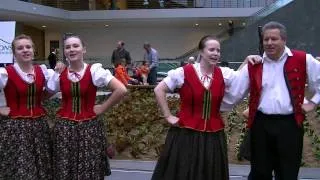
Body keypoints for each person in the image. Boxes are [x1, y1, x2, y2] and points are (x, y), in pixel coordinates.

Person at [151, 35, 262, 180]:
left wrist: (247, 61)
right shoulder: (184, 72)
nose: (216, 53)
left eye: (218, 50)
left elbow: (239, 79)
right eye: (211, 50)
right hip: (185, 134)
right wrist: (168, 116)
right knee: (184, 171)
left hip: (213, 135)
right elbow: (159, 89)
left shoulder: (224, 73)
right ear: (201, 52)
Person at [224, 21, 320, 180]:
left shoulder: (303, 59)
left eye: (274, 39)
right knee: (259, 173)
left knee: (288, 172)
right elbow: (234, 92)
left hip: (290, 124)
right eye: (266, 39)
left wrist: (313, 102)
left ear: (284, 40)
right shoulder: (255, 64)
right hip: (261, 124)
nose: (269, 43)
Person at [47, 35, 127, 179]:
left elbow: (121, 89)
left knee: (89, 168)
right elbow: (45, 93)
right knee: (66, 168)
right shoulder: (60, 74)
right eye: (68, 47)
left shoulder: (94, 71)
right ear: (64, 52)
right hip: (64, 129)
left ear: (84, 49)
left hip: (89, 128)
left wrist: (102, 108)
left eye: (75, 46)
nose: (72, 49)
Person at [0, 34, 54, 179]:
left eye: (28, 47)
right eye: (20, 48)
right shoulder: (5, 73)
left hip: (39, 126)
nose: (25, 50)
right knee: (20, 169)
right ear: (14, 52)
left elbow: (48, 92)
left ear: (33, 50)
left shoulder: (42, 71)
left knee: (41, 167)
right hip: (15, 128)